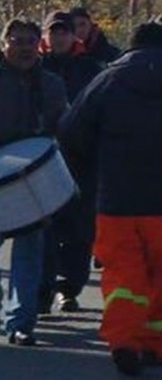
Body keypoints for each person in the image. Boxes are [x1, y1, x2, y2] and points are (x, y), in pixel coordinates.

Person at [58, 22, 162, 375]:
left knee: (123, 275)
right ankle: (156, 344)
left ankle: (124, 340)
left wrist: (90, 173)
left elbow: (71, 132)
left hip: (116, 199)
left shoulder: (108, 79)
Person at [0, 18, 68, 346]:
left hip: (34, 179)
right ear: (4, 43)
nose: (25, 47)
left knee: (29, 251)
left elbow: (62, 128)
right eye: (17, 40)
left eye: (30, 40)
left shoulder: (51, 84)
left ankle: (20, 323)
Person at [38, 10, 102, 314]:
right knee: (45, 229)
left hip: (81, 160)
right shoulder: (34, 68)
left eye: (64, 31)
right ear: (46, 37)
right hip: (43, 160)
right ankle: (42, 289)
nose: (59, 36)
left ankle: (69, 287)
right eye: (54, 31)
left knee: (79, 231)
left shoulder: (90, 68)